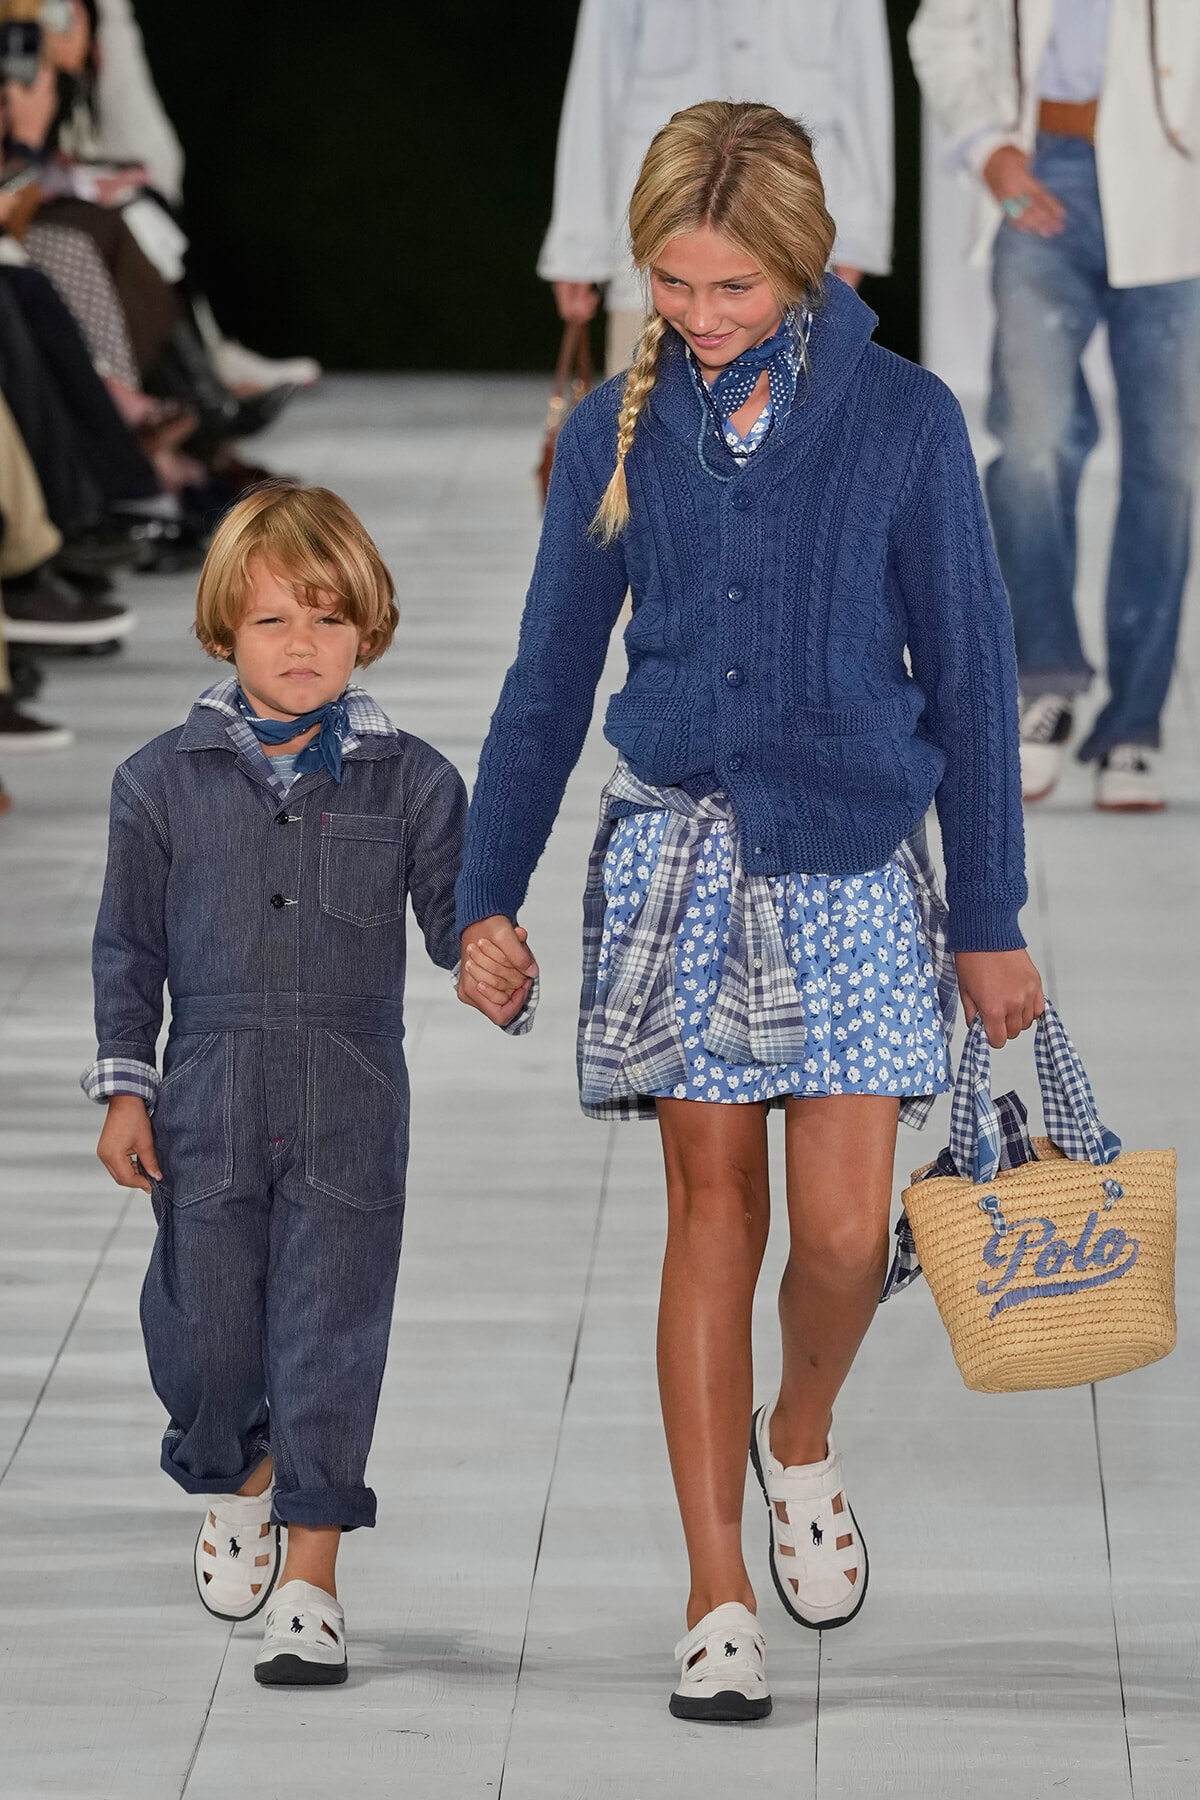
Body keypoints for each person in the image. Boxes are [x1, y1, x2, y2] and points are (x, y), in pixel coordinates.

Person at [456, 100, 1043, 1723]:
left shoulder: (905, 422)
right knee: (714, 1212)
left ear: (808, 264)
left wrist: (987, 909)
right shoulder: (614, 433)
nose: (700, 317)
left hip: (853, 856)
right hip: (677, 861)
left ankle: (802, 1439)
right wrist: (479, 896)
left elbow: (979, 682)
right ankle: (717, 1589)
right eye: (674, 284)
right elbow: (546, 682)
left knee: (849, 1235)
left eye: (731, 289)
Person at [82, 483, 469, 1686]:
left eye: (328, 619)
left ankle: (312, 1578)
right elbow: (127, 948)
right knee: (203, 1330)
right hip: (206, 1080)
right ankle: (232, 1467)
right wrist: (126, 1088)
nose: (303, 647)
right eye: (272, 623)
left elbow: (461, 925)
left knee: (331, 1332)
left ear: (370, 628)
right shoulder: (159, 782)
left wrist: (498, 960)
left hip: (353, 1087)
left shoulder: (413, 781)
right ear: (221, 631)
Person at [909, 0, 1200, 812]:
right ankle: (1045, 681)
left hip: (1178, 181)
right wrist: (987, 148)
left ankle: (1133, 729)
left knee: (1167, 468)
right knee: (1032, 444)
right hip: (1038, 167)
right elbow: (941, 29)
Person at [540, 0, 893, 372]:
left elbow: (863, 79)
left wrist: (856, 239)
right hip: (658, 235)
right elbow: (599, 76)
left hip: (791, 235)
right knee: (642, 415)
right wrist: (577, 244)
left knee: (800, 415)